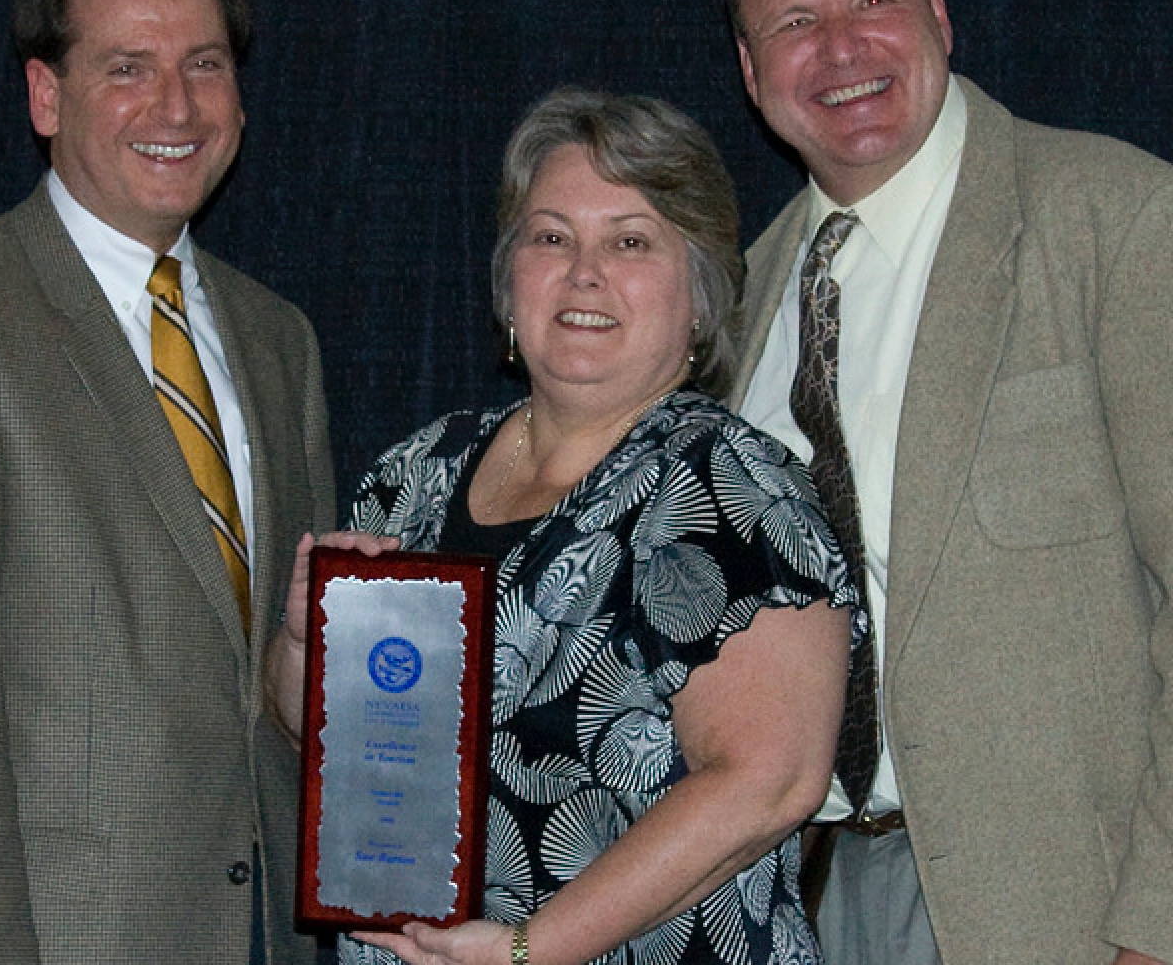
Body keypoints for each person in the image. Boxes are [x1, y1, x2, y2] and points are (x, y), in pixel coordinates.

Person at [266, 86, 860, 965]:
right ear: (511, 282)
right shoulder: (413, 476)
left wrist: (524, 950)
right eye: (552, 237)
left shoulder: (729, 483)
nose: (584, 272)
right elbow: (324, 746)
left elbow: (770, 783)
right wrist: (301, 638)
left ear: (699, 299)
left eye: (630, 241)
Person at [726, 0, 1173, 965]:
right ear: (748, 71)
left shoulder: (1114, 220)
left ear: (936, 10)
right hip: (801, 906)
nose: (837, 47)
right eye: (793, 21)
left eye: (869, 1)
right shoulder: (735, 301)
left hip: (1062, 918)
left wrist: (1153, 930)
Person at [0, 0, 335, 965]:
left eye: (206, 62)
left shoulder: (280, 341)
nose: (175, 103)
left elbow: (286, 692)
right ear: (46, 94)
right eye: (126, 66)